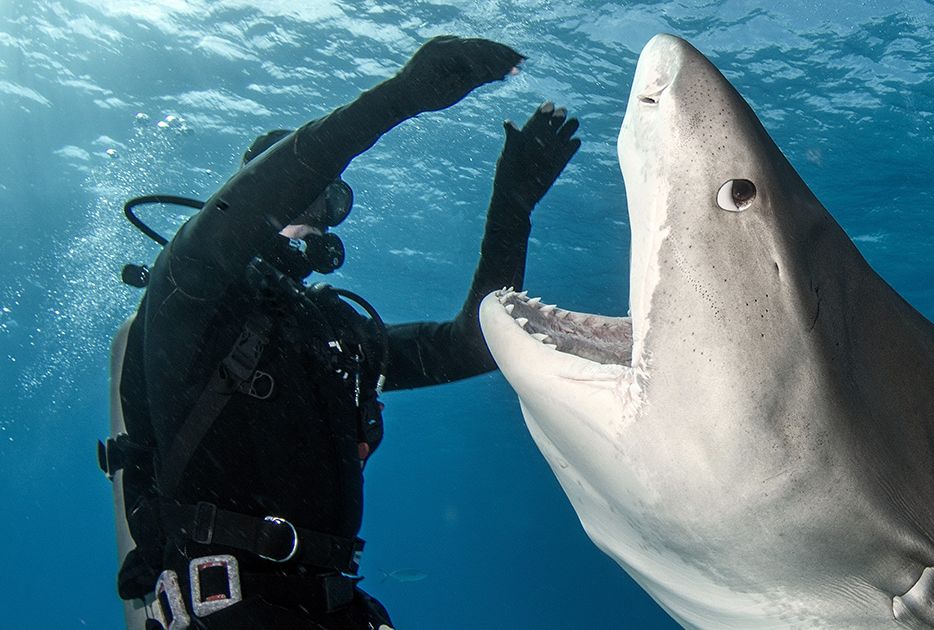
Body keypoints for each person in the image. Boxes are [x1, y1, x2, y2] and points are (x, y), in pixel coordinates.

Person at [104, 36, 581, 628]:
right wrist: (401, 96)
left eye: (331, 202)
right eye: (300, 193)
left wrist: (513, 202)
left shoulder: (334, 335)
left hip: (336, 607)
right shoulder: (189, 288)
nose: (315, 214)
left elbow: (475, 345)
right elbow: (245, 208)